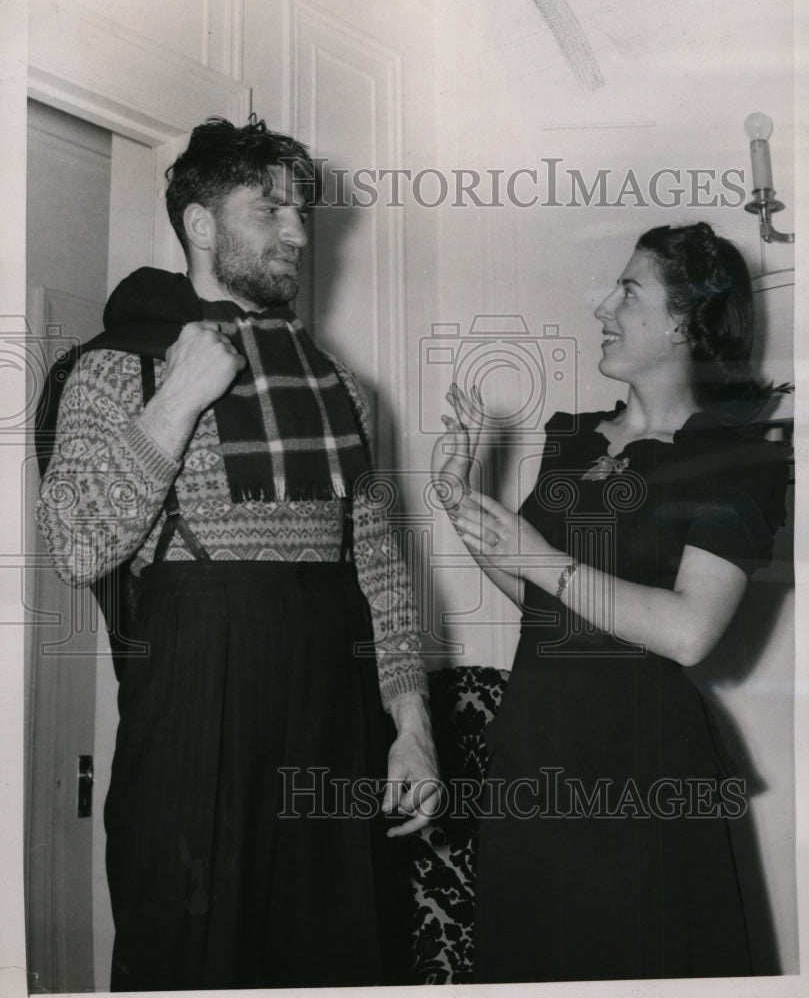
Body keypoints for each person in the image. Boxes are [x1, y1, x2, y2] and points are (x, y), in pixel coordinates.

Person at [36, 116, 439, 992]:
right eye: (270, 210)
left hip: (335, 714)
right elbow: (75, 546)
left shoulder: (338, 385)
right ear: (201, 224)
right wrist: (178, 400)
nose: (297, 233)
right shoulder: (116, 368)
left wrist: (411, 727)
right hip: (194, 713)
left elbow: (377, 565)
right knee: (189, 961)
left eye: (302, 213)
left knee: (338, 959)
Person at [432, 222, 790, 982]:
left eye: (628, 291)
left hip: (641, 770)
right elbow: (538, 597)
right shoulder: (572, 440)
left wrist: (540, 556)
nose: (603, 307)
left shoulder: (738, 459)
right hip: (532, 752)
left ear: (684, 322)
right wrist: (457, 496)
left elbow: (689, 631)